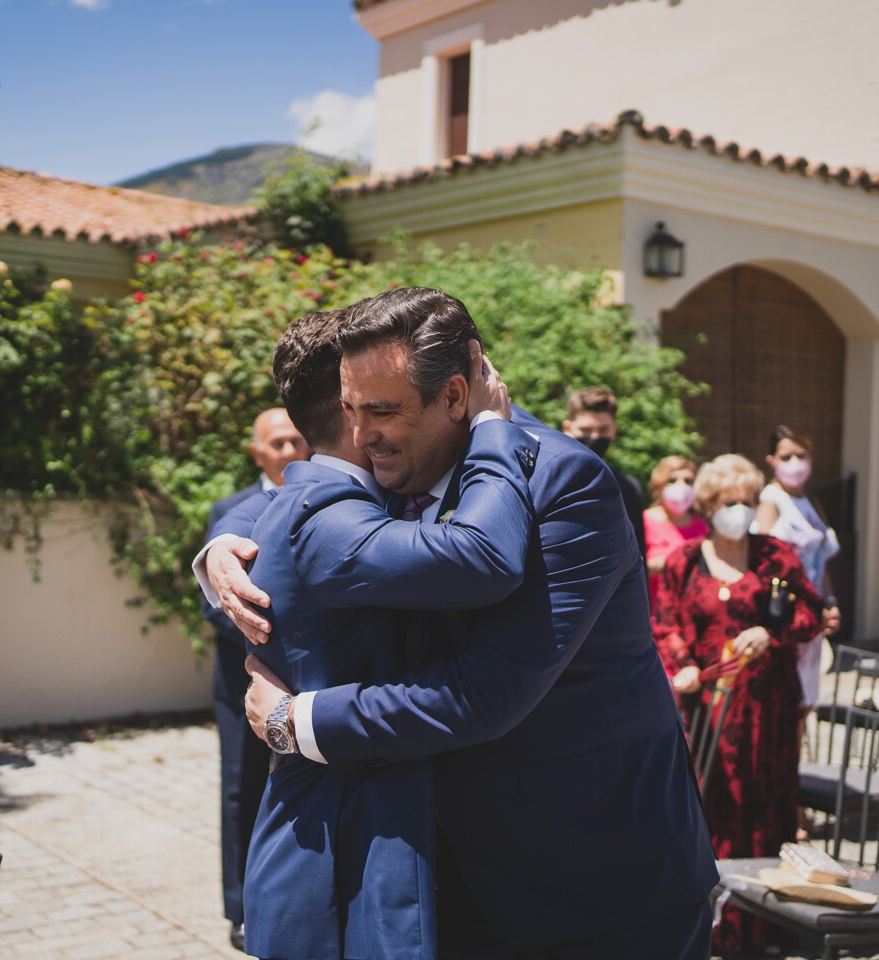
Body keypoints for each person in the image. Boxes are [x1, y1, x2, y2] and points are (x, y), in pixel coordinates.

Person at [214, 287, 717, 958]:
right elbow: (316, 486)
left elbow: (486, 692)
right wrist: (222, 543)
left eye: (382, 412)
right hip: (448, 887)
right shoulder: (396, 459)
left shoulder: (564, 486)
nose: (362, 437)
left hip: (597, 890)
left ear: (456, 397)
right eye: (351, 410)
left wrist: (297, 721)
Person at [231, 310, 535, 960]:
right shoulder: (330, 522)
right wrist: (491, 428)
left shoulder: (290, 509)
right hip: (347, 850)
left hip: (315, 837)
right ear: (352, 415)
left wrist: (214, 552)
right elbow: (483, 557)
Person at [652, 453, 825, 956]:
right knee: (710, 810)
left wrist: (771, 632)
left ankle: (765, 929)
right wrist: (681, 664)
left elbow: (812, 614)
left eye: (748, 501)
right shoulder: (685, 561)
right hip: (708, 710)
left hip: (768, 709)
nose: (741, 511)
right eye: (731, 502)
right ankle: (709, 927)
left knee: (768, 811)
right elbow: (665, 624)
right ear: (710, 505)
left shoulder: (778, 558)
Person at [201, 407, 307, 951]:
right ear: (257, 451)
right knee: (240, 788)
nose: (289, 450)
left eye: (296, 440)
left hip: (305, 684)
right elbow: (210, 604)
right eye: (278, 442)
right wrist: (263, 641)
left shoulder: (323, 503)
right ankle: (239, 907)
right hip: (240, 674)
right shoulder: (228, 511)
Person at [752, 425, 843, 713]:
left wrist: (830, 601)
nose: (795, 463)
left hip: (813, 614)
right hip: (787, 615)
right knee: (787, 703)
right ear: (772, 461)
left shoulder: (810, 500)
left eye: (801, 455)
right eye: (787, 456)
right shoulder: (771, 500)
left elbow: (821, 562)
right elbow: (761, 562)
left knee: (806, 701)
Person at [561, 385, 647, 561]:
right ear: (568, 428)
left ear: (613, 431)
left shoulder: (628, 489)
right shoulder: (550, 480)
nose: (594, 438)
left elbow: (637, 554)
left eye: (603, 430)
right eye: (585, 430)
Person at [643, 454, 705, 611]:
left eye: (688, 481)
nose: (681, 486)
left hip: (690, 610)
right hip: (654, 609)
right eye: (672, 480)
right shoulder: (644, 521)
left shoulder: (702, 525)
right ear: (659, 485)